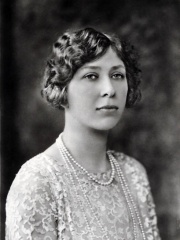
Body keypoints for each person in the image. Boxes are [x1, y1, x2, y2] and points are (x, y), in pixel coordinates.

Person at [6, 27, 161, 240]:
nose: (109, 89)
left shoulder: (134, 174)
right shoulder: (38, 182)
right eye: (91, 76)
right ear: (62, 86)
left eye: (117, 75)